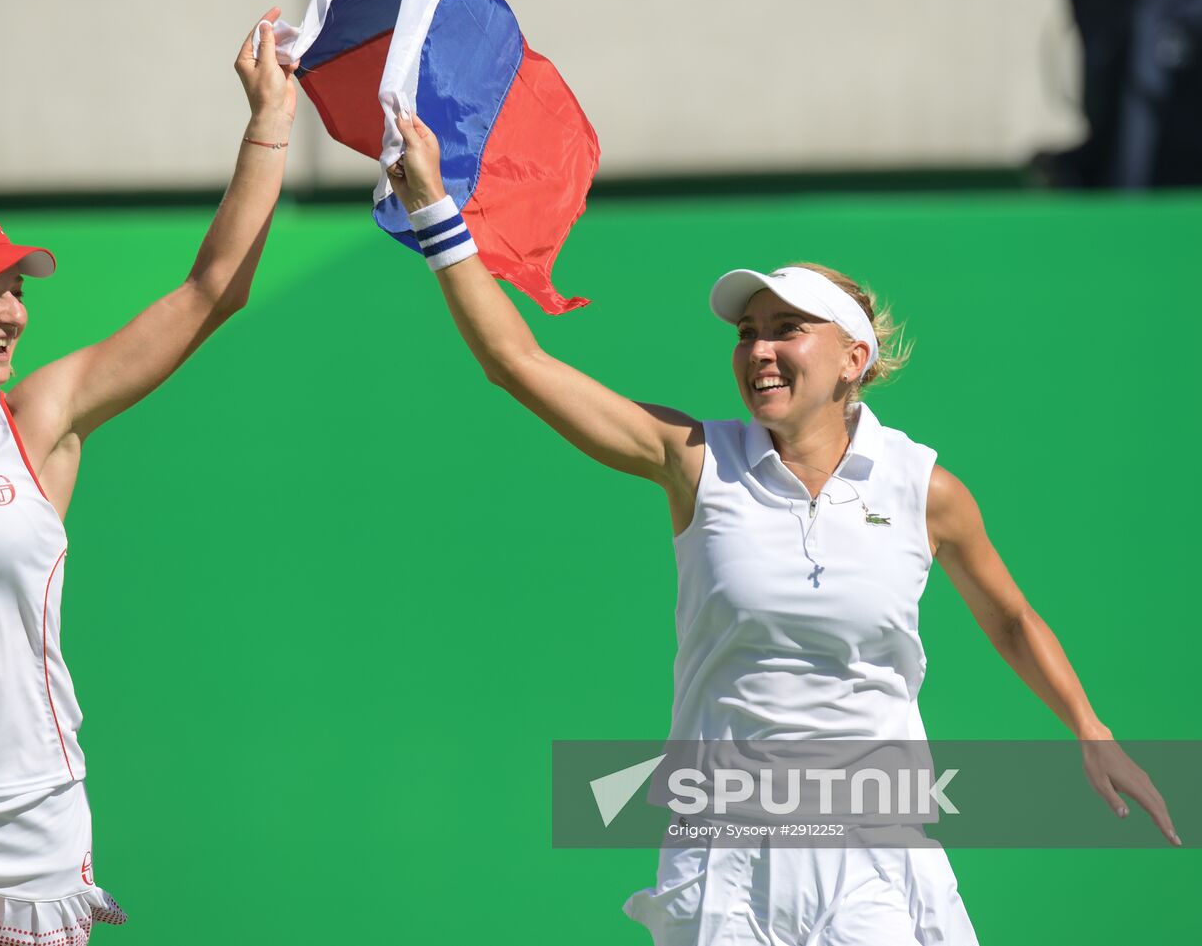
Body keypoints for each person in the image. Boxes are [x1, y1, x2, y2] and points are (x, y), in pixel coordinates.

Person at [382, 111, 1180, 945]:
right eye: (747, 332)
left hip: (875, 854)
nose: (760, 350)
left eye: (787, 329)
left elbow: (1011, 619)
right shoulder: (695, 460)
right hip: (722, 859)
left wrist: (1092, 731)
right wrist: (437, 210)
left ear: (853, 358)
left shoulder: (924, 488)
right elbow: (519, 362)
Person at [0, 9, 297, 946]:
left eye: (18, 291)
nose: (11, 313)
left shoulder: (41, 421)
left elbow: (214, 290)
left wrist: (268, 116)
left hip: (33, 820)